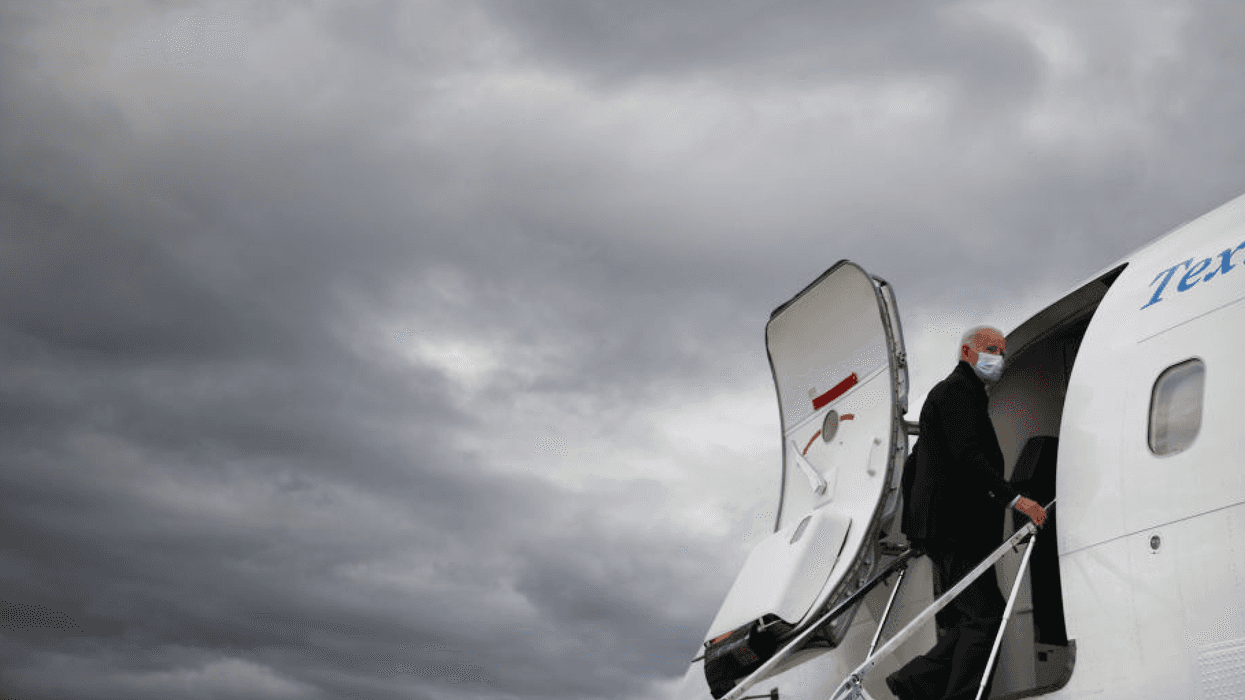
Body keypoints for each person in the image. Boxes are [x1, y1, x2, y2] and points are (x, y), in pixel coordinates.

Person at [886, 325, 1047, 700]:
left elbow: (914, 465)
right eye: (991, 349)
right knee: (986, 617)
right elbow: (968, 456)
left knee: (972, 618)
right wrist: (1016, 499)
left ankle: (914, 682)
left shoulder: (955, 394)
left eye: (1002, 351)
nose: (998, 358)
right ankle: (945, 691)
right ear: (966, 353)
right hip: (955, 530)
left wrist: (918, 530)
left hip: (946, 530)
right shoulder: (957, 392)